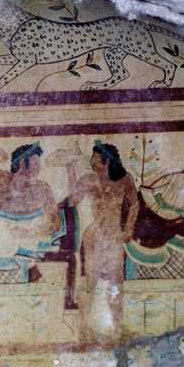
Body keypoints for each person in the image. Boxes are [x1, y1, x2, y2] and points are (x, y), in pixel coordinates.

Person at [66, 143, 139, 341]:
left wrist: (129, 229)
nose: (92, 161)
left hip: (114, 237)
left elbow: (134, 204)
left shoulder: (124, 179)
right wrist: (70, 169)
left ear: (106, 160)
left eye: (95, 158)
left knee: (115, 284)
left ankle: (116, 328)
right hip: (94, 237)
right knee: (92, 283)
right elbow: (73, 199)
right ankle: (86, 330)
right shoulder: (89, 179)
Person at [0, 143, 61, 264]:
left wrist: (29, 232)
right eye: (35, 163)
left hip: (25, 248)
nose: (37, 169)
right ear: (21, 162)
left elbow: (54, 223)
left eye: (38, 164)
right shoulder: (0, 178)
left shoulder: (43, 189)